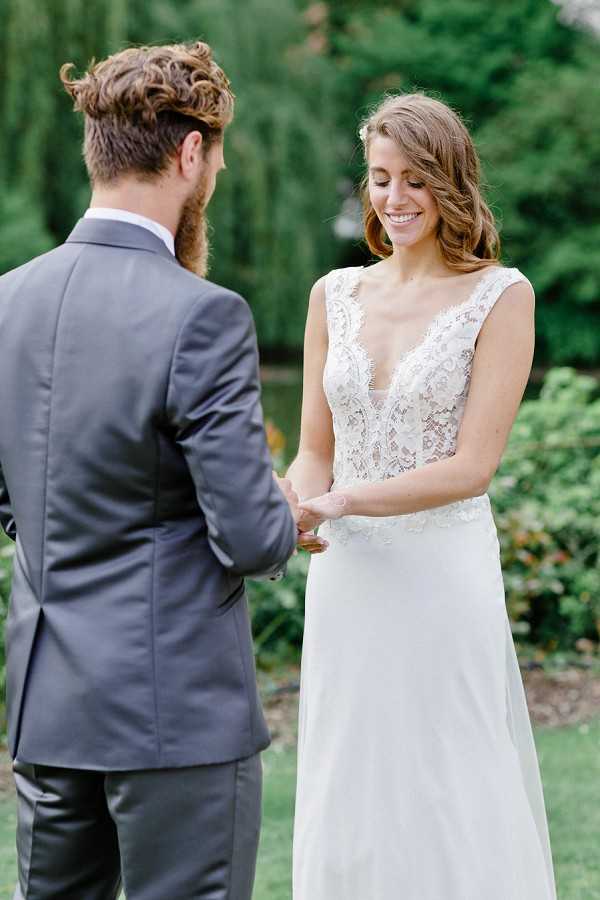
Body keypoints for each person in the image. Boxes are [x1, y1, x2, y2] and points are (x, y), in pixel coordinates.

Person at [0, 41, 299, 900]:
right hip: (177, 714)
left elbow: (13, 494)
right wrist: (286, 520)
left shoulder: (8, 299)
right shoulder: (201, 315)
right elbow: (246, 534)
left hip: (48, 701)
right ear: (190, 153)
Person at [288, 93, 557, 899]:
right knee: (350, 769)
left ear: (452, 183)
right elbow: (312, 451)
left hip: (443, 571)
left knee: (449, 773)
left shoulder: (502, 296)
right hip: (348, 578)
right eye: (379, 179)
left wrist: (339, 502)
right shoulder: (332, 294)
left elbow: (474, 465)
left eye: (414, 179)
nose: (394, 198)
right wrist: (295, 502)